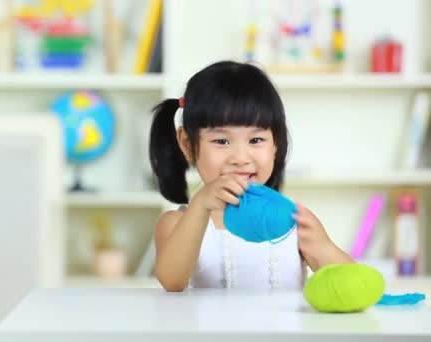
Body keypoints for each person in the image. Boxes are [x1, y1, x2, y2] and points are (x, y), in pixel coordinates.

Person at [149, 61, 354, 292]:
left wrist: (324, 248)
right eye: (221, 141)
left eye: (255, 140)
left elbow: (354, 284)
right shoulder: (175, 224)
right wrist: (200, 205)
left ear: (275, 144)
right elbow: (172, 281)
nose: (240, 158)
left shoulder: (293, 224)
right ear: (187, 144)